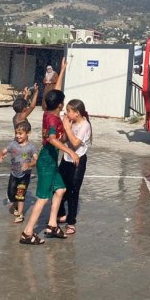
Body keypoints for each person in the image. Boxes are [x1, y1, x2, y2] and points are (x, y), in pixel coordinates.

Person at [20, 58, 78, 245]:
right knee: (43, 198)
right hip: (46, 160)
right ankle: (27, 233)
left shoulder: (48, 110)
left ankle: (52, 225)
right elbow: (52, 139)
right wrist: (70, 151)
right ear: (60, 105)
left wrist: (62, 70)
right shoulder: (53, 120)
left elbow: (56, 91)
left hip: (51, 160)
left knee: (60, 189)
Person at [59, 98, 92, 235]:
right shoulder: (71, 122)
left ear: (77, 113)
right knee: (59, 187)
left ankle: (71, 222)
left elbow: (75, 142)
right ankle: (61, 213)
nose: (66, 114)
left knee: (73, 191)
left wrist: (67, 127)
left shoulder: (84, 125)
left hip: (78, 161)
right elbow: (66, 140)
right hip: (66, 158)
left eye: (69, 111)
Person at [0, 119, 38, 224]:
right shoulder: (13, 144)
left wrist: (29, 164)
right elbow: (4, 150)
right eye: (16, 133)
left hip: (24, 176)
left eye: (20, 134)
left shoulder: (31, 147)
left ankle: (20, 214)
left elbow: (36, 160)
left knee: (20, 195)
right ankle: (15, 203)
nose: (18, 136)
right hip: (14, 174)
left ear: (28, 133)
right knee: (11, 194)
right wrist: (2, 155)